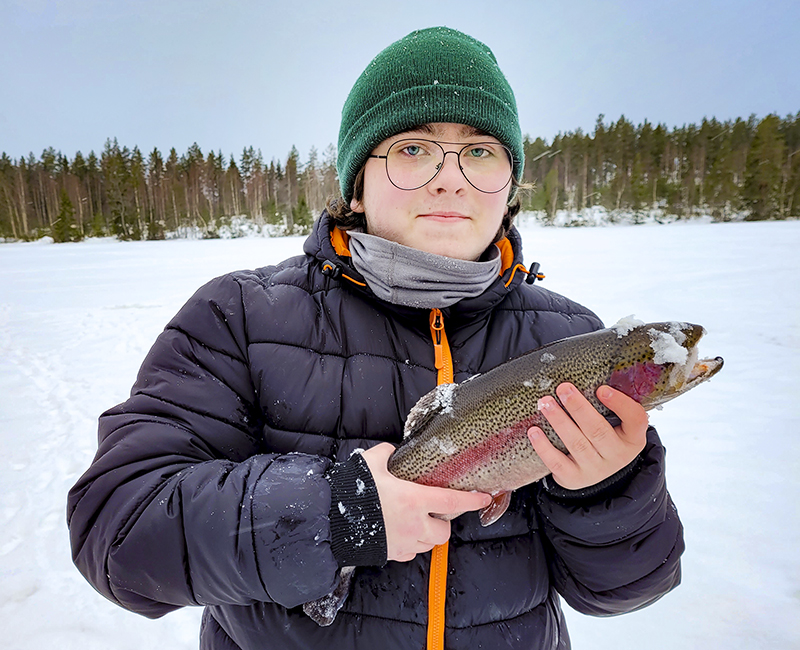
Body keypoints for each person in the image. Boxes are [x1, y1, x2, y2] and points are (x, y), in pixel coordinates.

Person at [67, 26, 684, 650]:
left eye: (480, 151)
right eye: (413, 149)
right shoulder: (240, 318)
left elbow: (625, 590)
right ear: (357, 184)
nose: (452, 179)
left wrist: (607, 489)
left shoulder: (571, 337)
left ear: (510, 184)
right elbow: (118, 533)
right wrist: (339, 513)